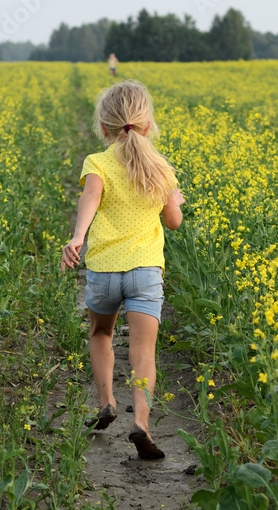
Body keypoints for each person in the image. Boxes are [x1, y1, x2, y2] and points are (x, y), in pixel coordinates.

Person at [61, 80, 185, 460]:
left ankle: (106, 402)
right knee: (143, 351)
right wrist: (174, 199)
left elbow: (90, 199)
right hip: (145, 272)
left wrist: (78, 237)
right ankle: (142, 424)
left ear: (103, 128)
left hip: (104, 270)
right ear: (147, 125)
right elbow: (174, 222)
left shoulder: (97, 163)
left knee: (101, 332)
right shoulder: (160, 167)